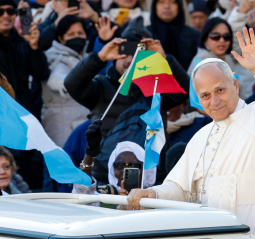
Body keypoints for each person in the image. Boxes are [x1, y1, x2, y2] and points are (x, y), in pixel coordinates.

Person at [127, 27, 255, 239]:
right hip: (213, 229)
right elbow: (181, 188)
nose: (214, 101)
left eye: (220, 90)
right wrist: (154, 193)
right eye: (205, 95)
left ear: (235, 85)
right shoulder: (200, 137)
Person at [64, 23, 189, 184]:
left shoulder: (157, 89)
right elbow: (71, 85)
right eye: (124, 54)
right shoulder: (100, 88)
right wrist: (99, 57)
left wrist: (165, 60)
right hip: (105, 174)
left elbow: (186, 91)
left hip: (151, 176)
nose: (130, 60)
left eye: (137, 55)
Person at [42, 15, 90, 148]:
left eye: (80, 33)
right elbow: (56, 79)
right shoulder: (55, 57)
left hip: (80, 125)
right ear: (61, 39)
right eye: (71, 34)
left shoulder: (84, 57)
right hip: (62, 127)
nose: (77, 37)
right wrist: (69, 82)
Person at [0, 0, 50, 120]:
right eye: (0, 12)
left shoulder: (23, 42)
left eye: (11, 11)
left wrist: (34, 46)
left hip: (25, 111)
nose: (6, 15)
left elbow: (41, 74)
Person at [147, 0, 200, 70]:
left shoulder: (194, 36)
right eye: (161, 2)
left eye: (173, 2)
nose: (167, 6)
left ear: (179, 7)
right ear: (155, 6)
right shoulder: (144, 34)